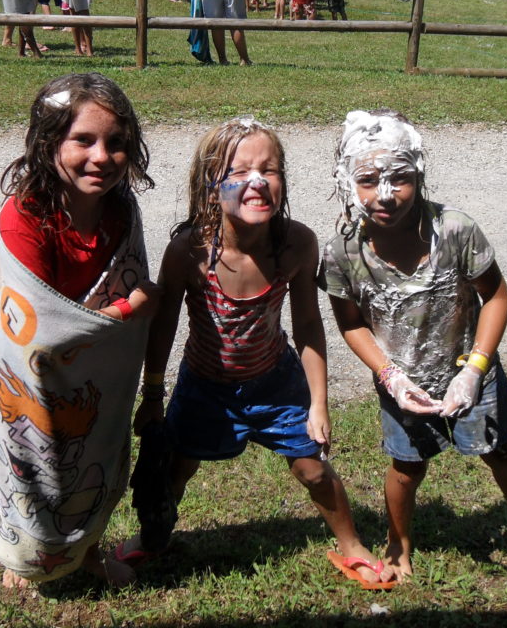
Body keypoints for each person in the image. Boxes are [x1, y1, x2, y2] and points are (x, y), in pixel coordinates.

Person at [120, 117, 394, 589]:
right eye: (239, 170)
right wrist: (152, 393)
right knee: (177, 467)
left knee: (313, 469)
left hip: (275, 380)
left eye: (269, 170)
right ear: (209, 188)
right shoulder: (188, 250)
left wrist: (318, 404)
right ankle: (154, 536)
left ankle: (351, 546)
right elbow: (163, 326)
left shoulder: (296, 245)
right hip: (204, 385)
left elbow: (308, 324)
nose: (256, 180)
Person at [319, 109, 507, 584]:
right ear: (346, 182)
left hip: (472, 367)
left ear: (421, 173)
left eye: (401, 178)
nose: (385, 194)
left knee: (501, 453)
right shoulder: (342, 253)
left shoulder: (454, 231)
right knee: (406, 468)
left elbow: (496, 296)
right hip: (403, 379)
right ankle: (398, 541)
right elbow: (350, 324)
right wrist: (390, 376)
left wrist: (474, 369)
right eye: (368, 180)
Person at [0, 72, 158, 591]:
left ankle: (85, 552)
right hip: (30, 383)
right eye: (83, 139)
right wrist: (129, 309)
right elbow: (36, 330)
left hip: (94, 381)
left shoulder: (121, 213)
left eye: (117, 143)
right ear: (48, 142)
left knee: (92, 460)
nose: (101, 156)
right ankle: (26, 556)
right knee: (34, 467)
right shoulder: (25, 218)